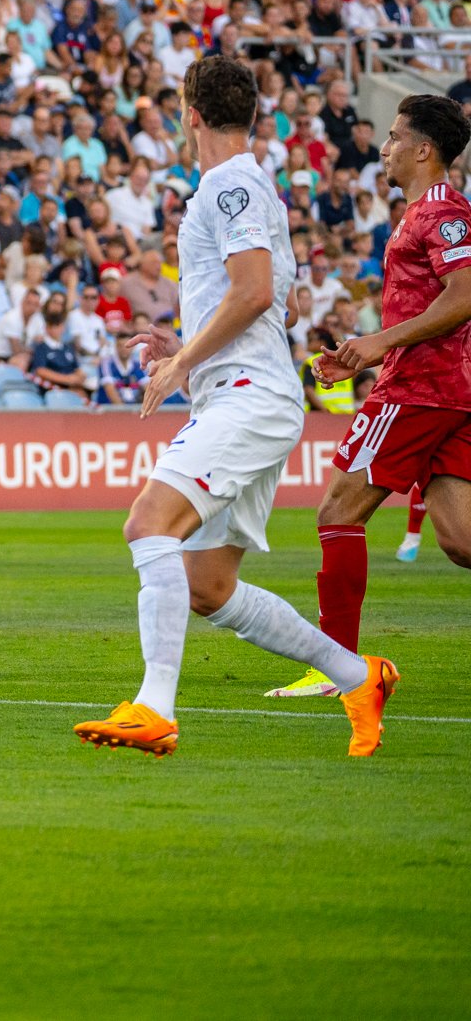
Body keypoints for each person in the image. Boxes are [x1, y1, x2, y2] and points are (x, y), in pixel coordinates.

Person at [74, 56, 397, 760]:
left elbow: (252, 291)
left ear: (189, 112)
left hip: (248, 395)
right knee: (209, 586)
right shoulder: (238, 184)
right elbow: (248, 299)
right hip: (245, 392)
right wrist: (185, 342)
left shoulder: (229, 186)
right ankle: (358, 675)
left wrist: (183, 361)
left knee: (147, 523)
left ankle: (154, 708)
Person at [278, 95, 471, 699]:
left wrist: (379, 344)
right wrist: (367, 351)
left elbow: (464, 294)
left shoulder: (443, 210)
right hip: (446, 389)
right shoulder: (422, 211)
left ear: (423, 149)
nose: (383, 149)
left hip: (420, 390)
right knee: (461, 541)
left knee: (337, 511)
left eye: (392, 138)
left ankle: (340, 670)